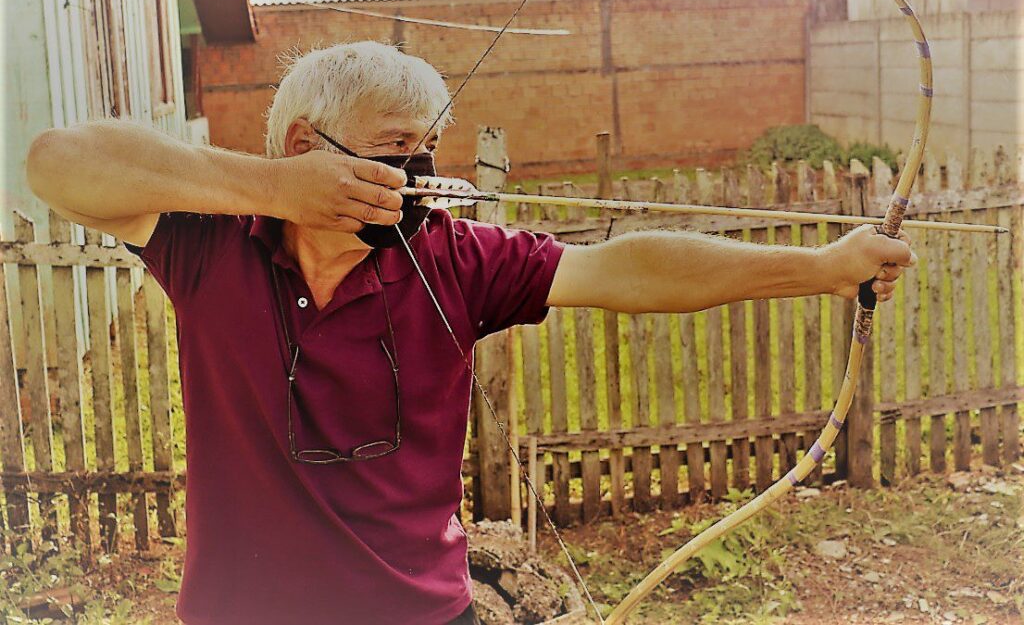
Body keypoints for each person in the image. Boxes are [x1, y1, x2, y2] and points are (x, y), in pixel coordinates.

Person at [26, 41, 914, 625]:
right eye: (392, 147)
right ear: (304, 140)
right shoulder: (210, 245)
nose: (416, 175)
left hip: (421, 613)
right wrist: (277, 187)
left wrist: (825, 267)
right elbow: (57, 164)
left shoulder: (452, 257)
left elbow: (627, 268)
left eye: (427, 151)